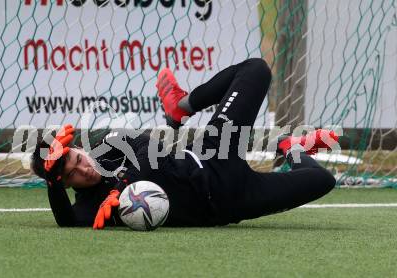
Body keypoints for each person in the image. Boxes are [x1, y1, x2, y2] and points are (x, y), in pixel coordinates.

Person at [31, 58, 338, 229]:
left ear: (77, 148)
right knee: (323, 180)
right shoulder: (89, 209)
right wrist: (53, 187)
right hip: (229, 204)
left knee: (255, 70)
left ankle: (182, 106)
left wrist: (124, 185)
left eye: (76, 158)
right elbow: (67, 221)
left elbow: (143, 144)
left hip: (213, 155)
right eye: (71, 174)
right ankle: (288, 148)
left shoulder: (106, 148)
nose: (83, 169)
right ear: (66, 184)